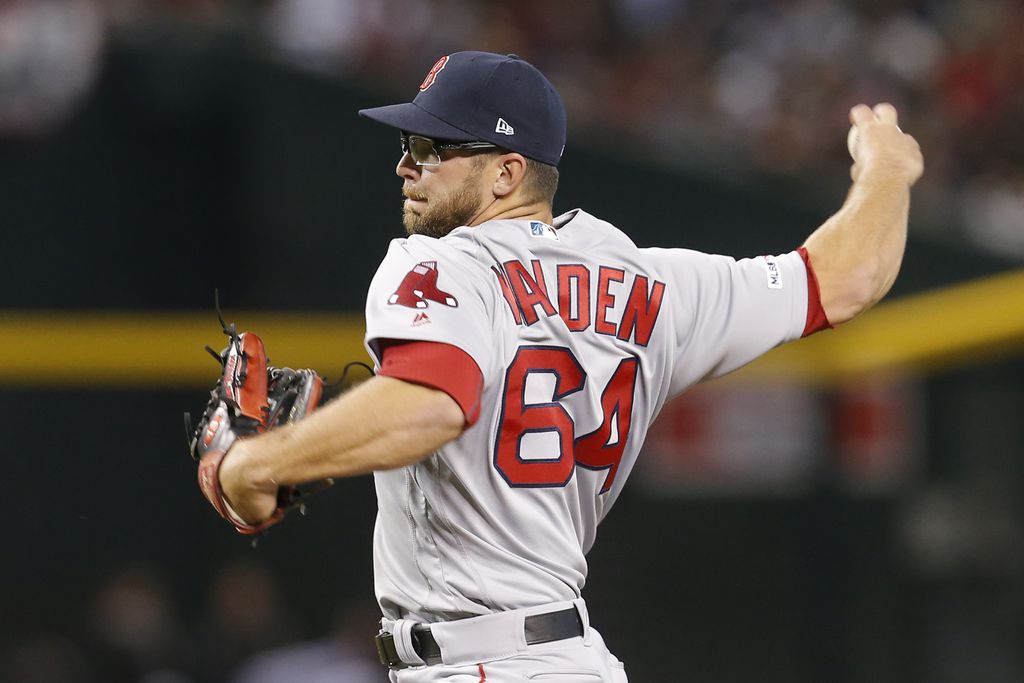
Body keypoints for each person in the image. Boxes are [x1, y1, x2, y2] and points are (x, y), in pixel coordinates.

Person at [211, 51, 923, 681]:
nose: (406, 163)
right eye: (406, 142)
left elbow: (431, 404)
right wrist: (889, 171)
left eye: (432, 146)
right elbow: (847, 277)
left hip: (480, 660)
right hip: (565, 656)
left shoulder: (443, 262)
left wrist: (262, 462)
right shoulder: (656, 284)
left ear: (506, 171)